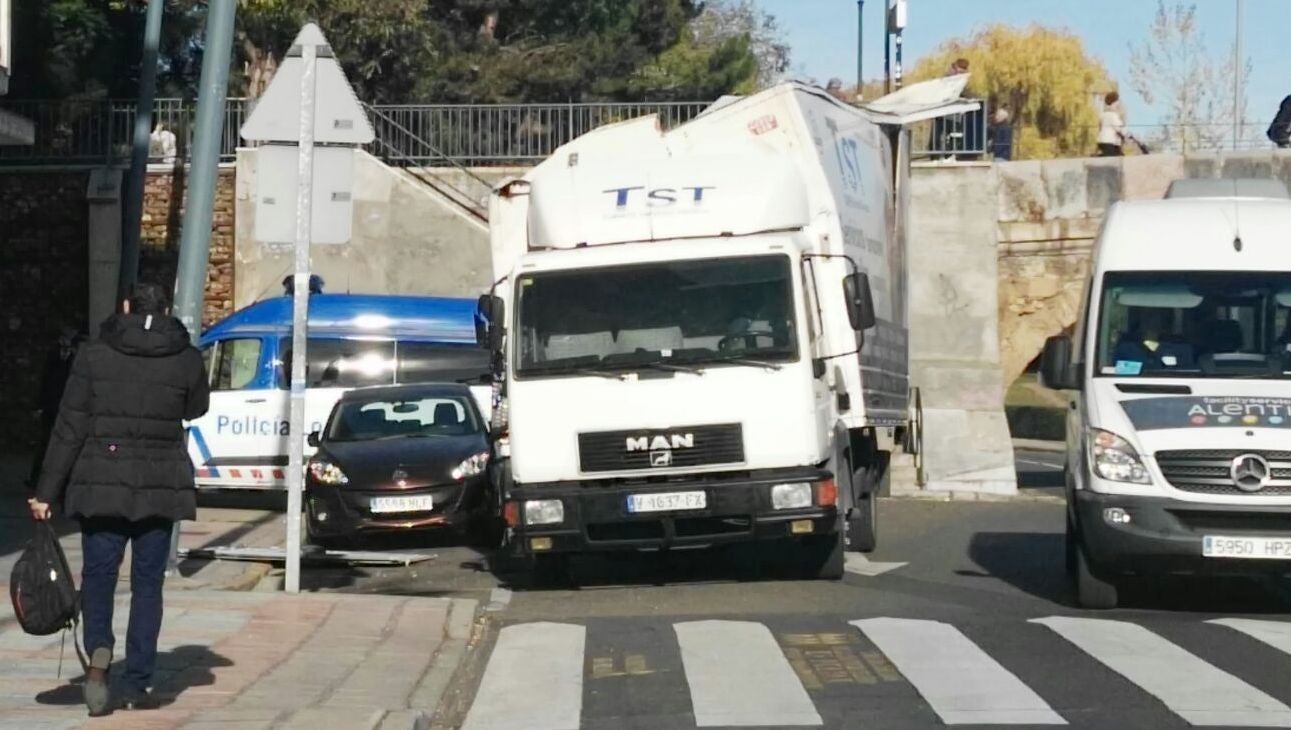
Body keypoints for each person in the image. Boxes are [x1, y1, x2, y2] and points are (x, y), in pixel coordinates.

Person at [29, 282, 209, 717]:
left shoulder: (94, 354)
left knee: (99, 576)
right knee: (148, 583)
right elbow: (197, 408)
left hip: (101, 483)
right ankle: (138, 682)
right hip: (160, 483)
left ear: (126, 307)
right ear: (166, 311)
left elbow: (68, 426)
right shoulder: (186, 357)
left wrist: (45, 491)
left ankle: (99, 654)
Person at [27, 325, 85, 491]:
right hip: (54, 404)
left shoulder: (72, 355)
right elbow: (46, 379)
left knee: (56, 443)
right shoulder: (56, 354)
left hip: (61, 403)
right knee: (47, 443)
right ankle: (37, 478)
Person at [1097, 92, 1126, 157]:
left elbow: (1100, 128)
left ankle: (1101, 155)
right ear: (1114, 103)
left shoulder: (1103, 114)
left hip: (1102, 141)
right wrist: (1123, 137)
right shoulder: (1113, 115)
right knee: (1113, 158)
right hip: (1109, 142)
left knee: (1116, 155)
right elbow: (1118, 130)